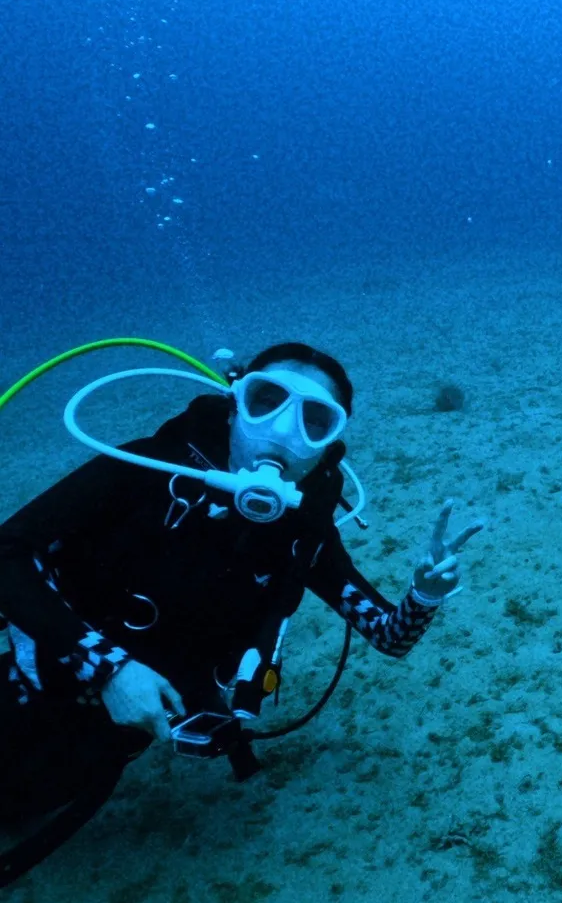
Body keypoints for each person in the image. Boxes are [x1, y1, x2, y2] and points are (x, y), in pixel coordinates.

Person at [0, 341, 480, 875]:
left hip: (111, 745)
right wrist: (108, 667)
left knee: (27, 801)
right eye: (265, 400)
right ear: (234, 405)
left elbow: (390, 636)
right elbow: (7, 553)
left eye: (314, 420)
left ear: (328, 445)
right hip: (31, 692)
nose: (280, 432)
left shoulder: (304, 532)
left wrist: (424, 595)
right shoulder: (145, 470)